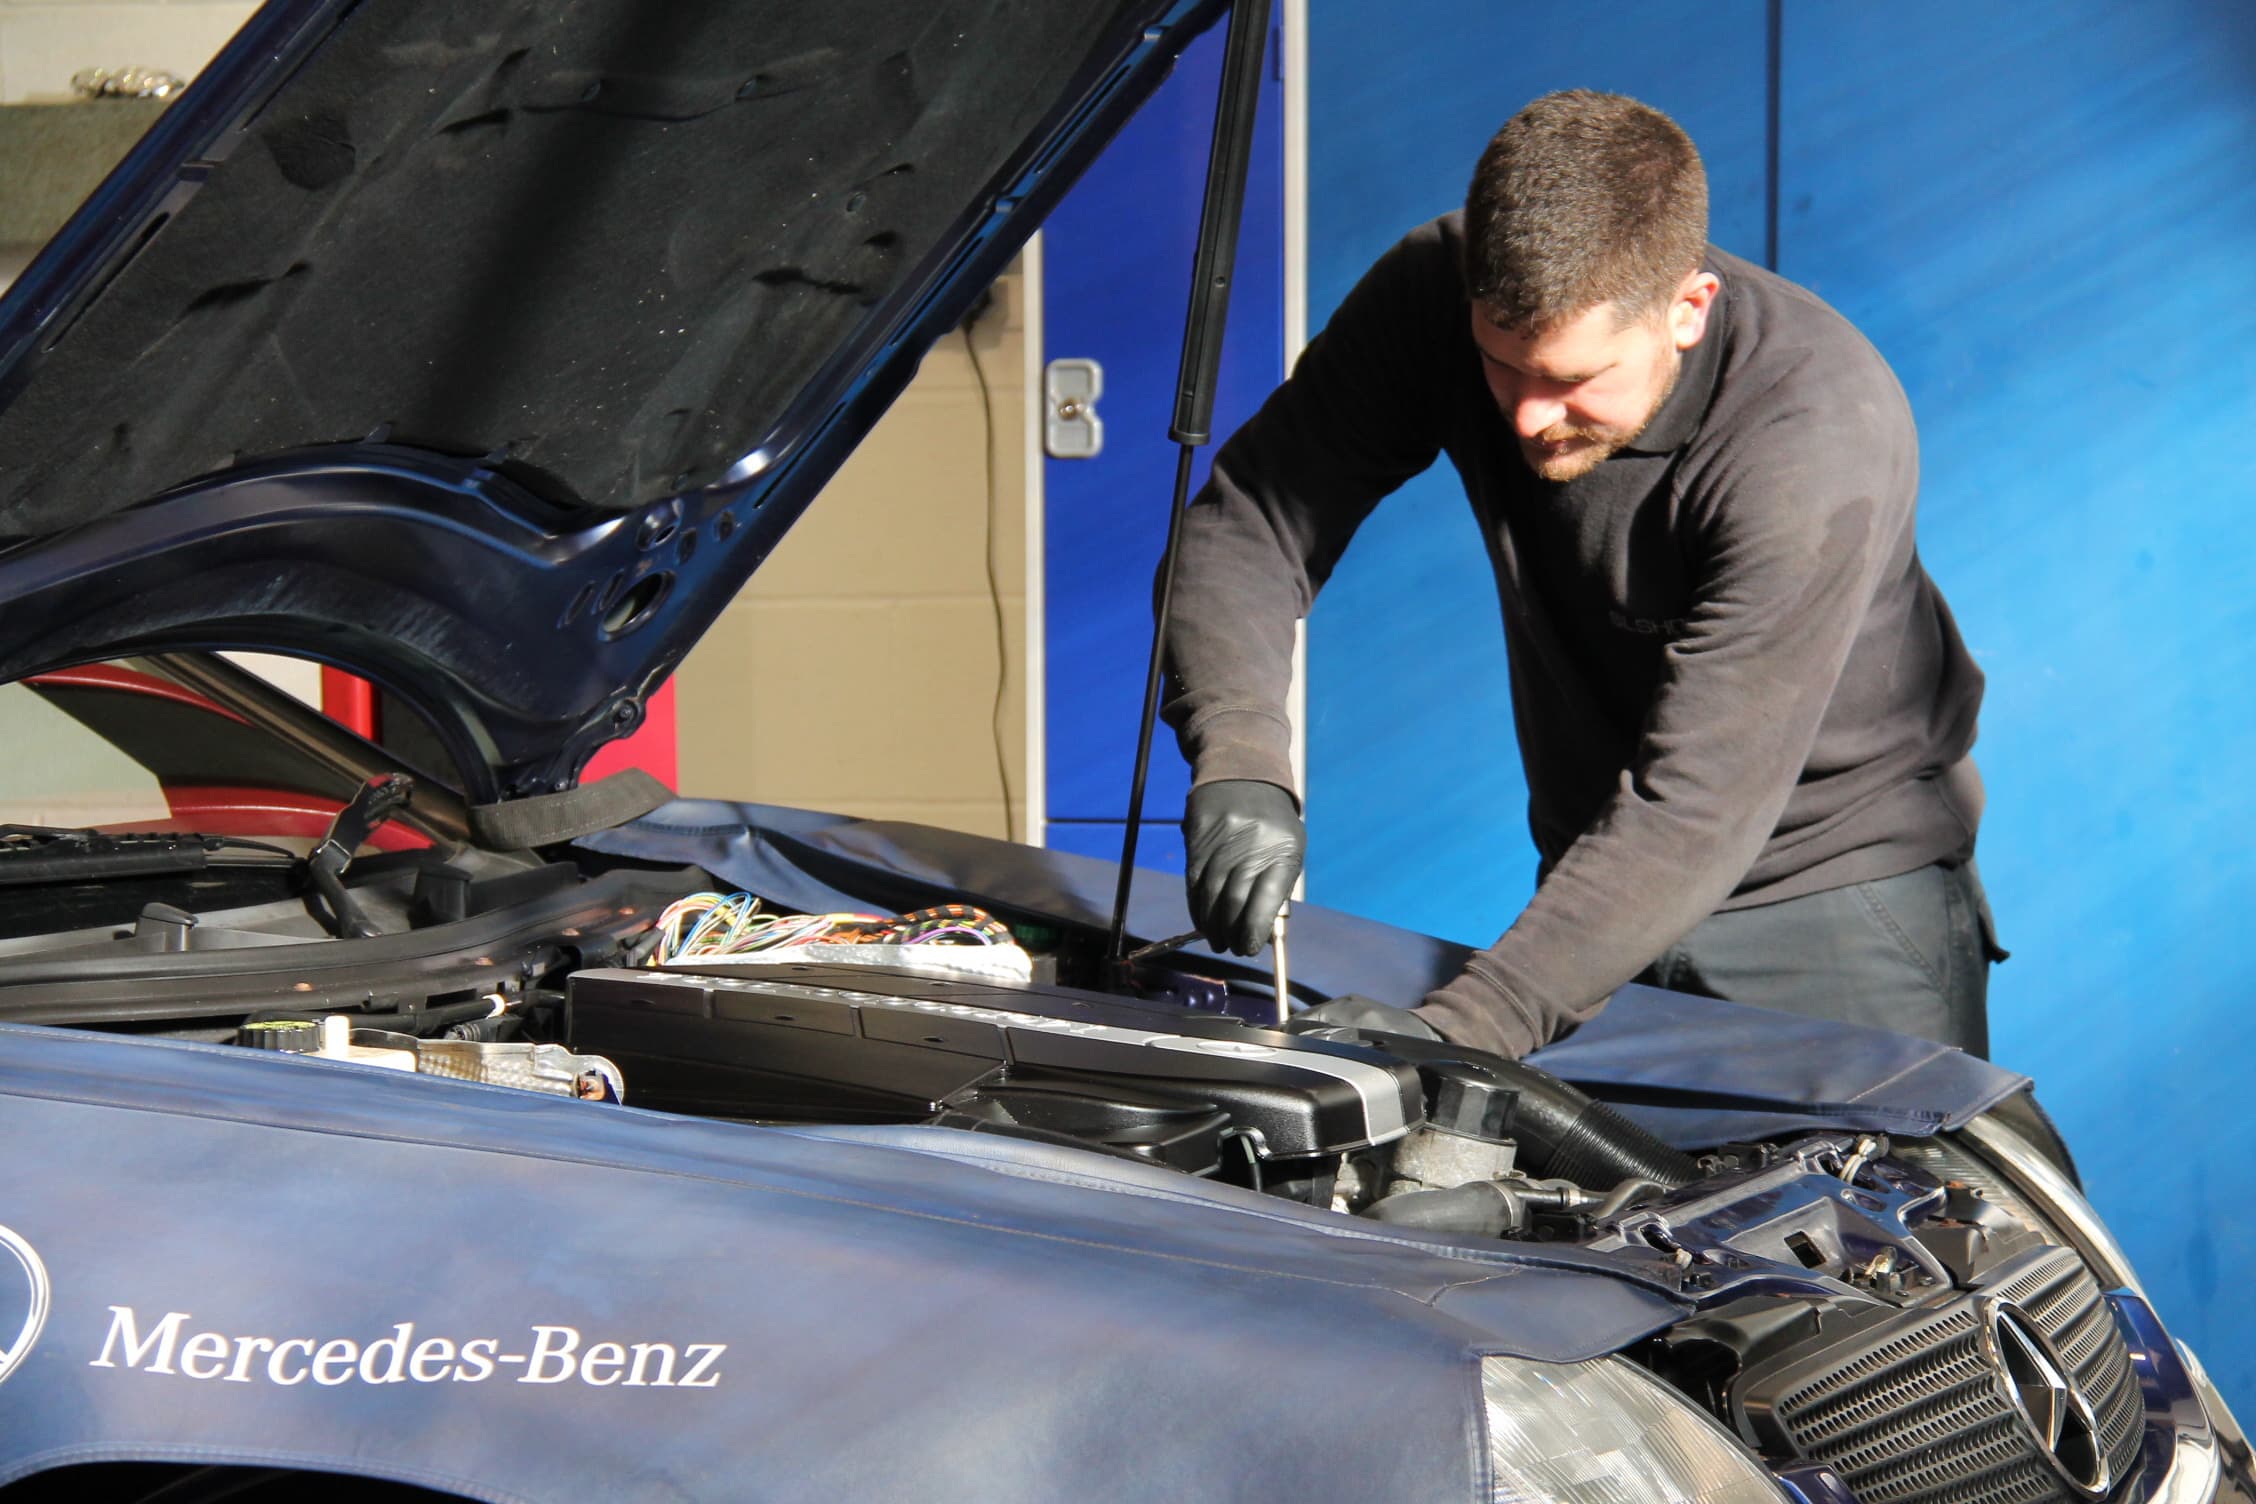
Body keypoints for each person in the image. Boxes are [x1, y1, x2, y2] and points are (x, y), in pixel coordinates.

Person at [1161, 90, 2002, 1059]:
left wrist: (1463, 1032)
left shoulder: (1811, 433)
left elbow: (1696, 804)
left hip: (1834, 908)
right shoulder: (1434, 296)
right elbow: (1251, 521)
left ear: (1688, 310)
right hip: (1595, 890)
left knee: (1867, 1211)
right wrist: (1241, 757)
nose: (1525, 416)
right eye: (1501, 365)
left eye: (1571, 380)